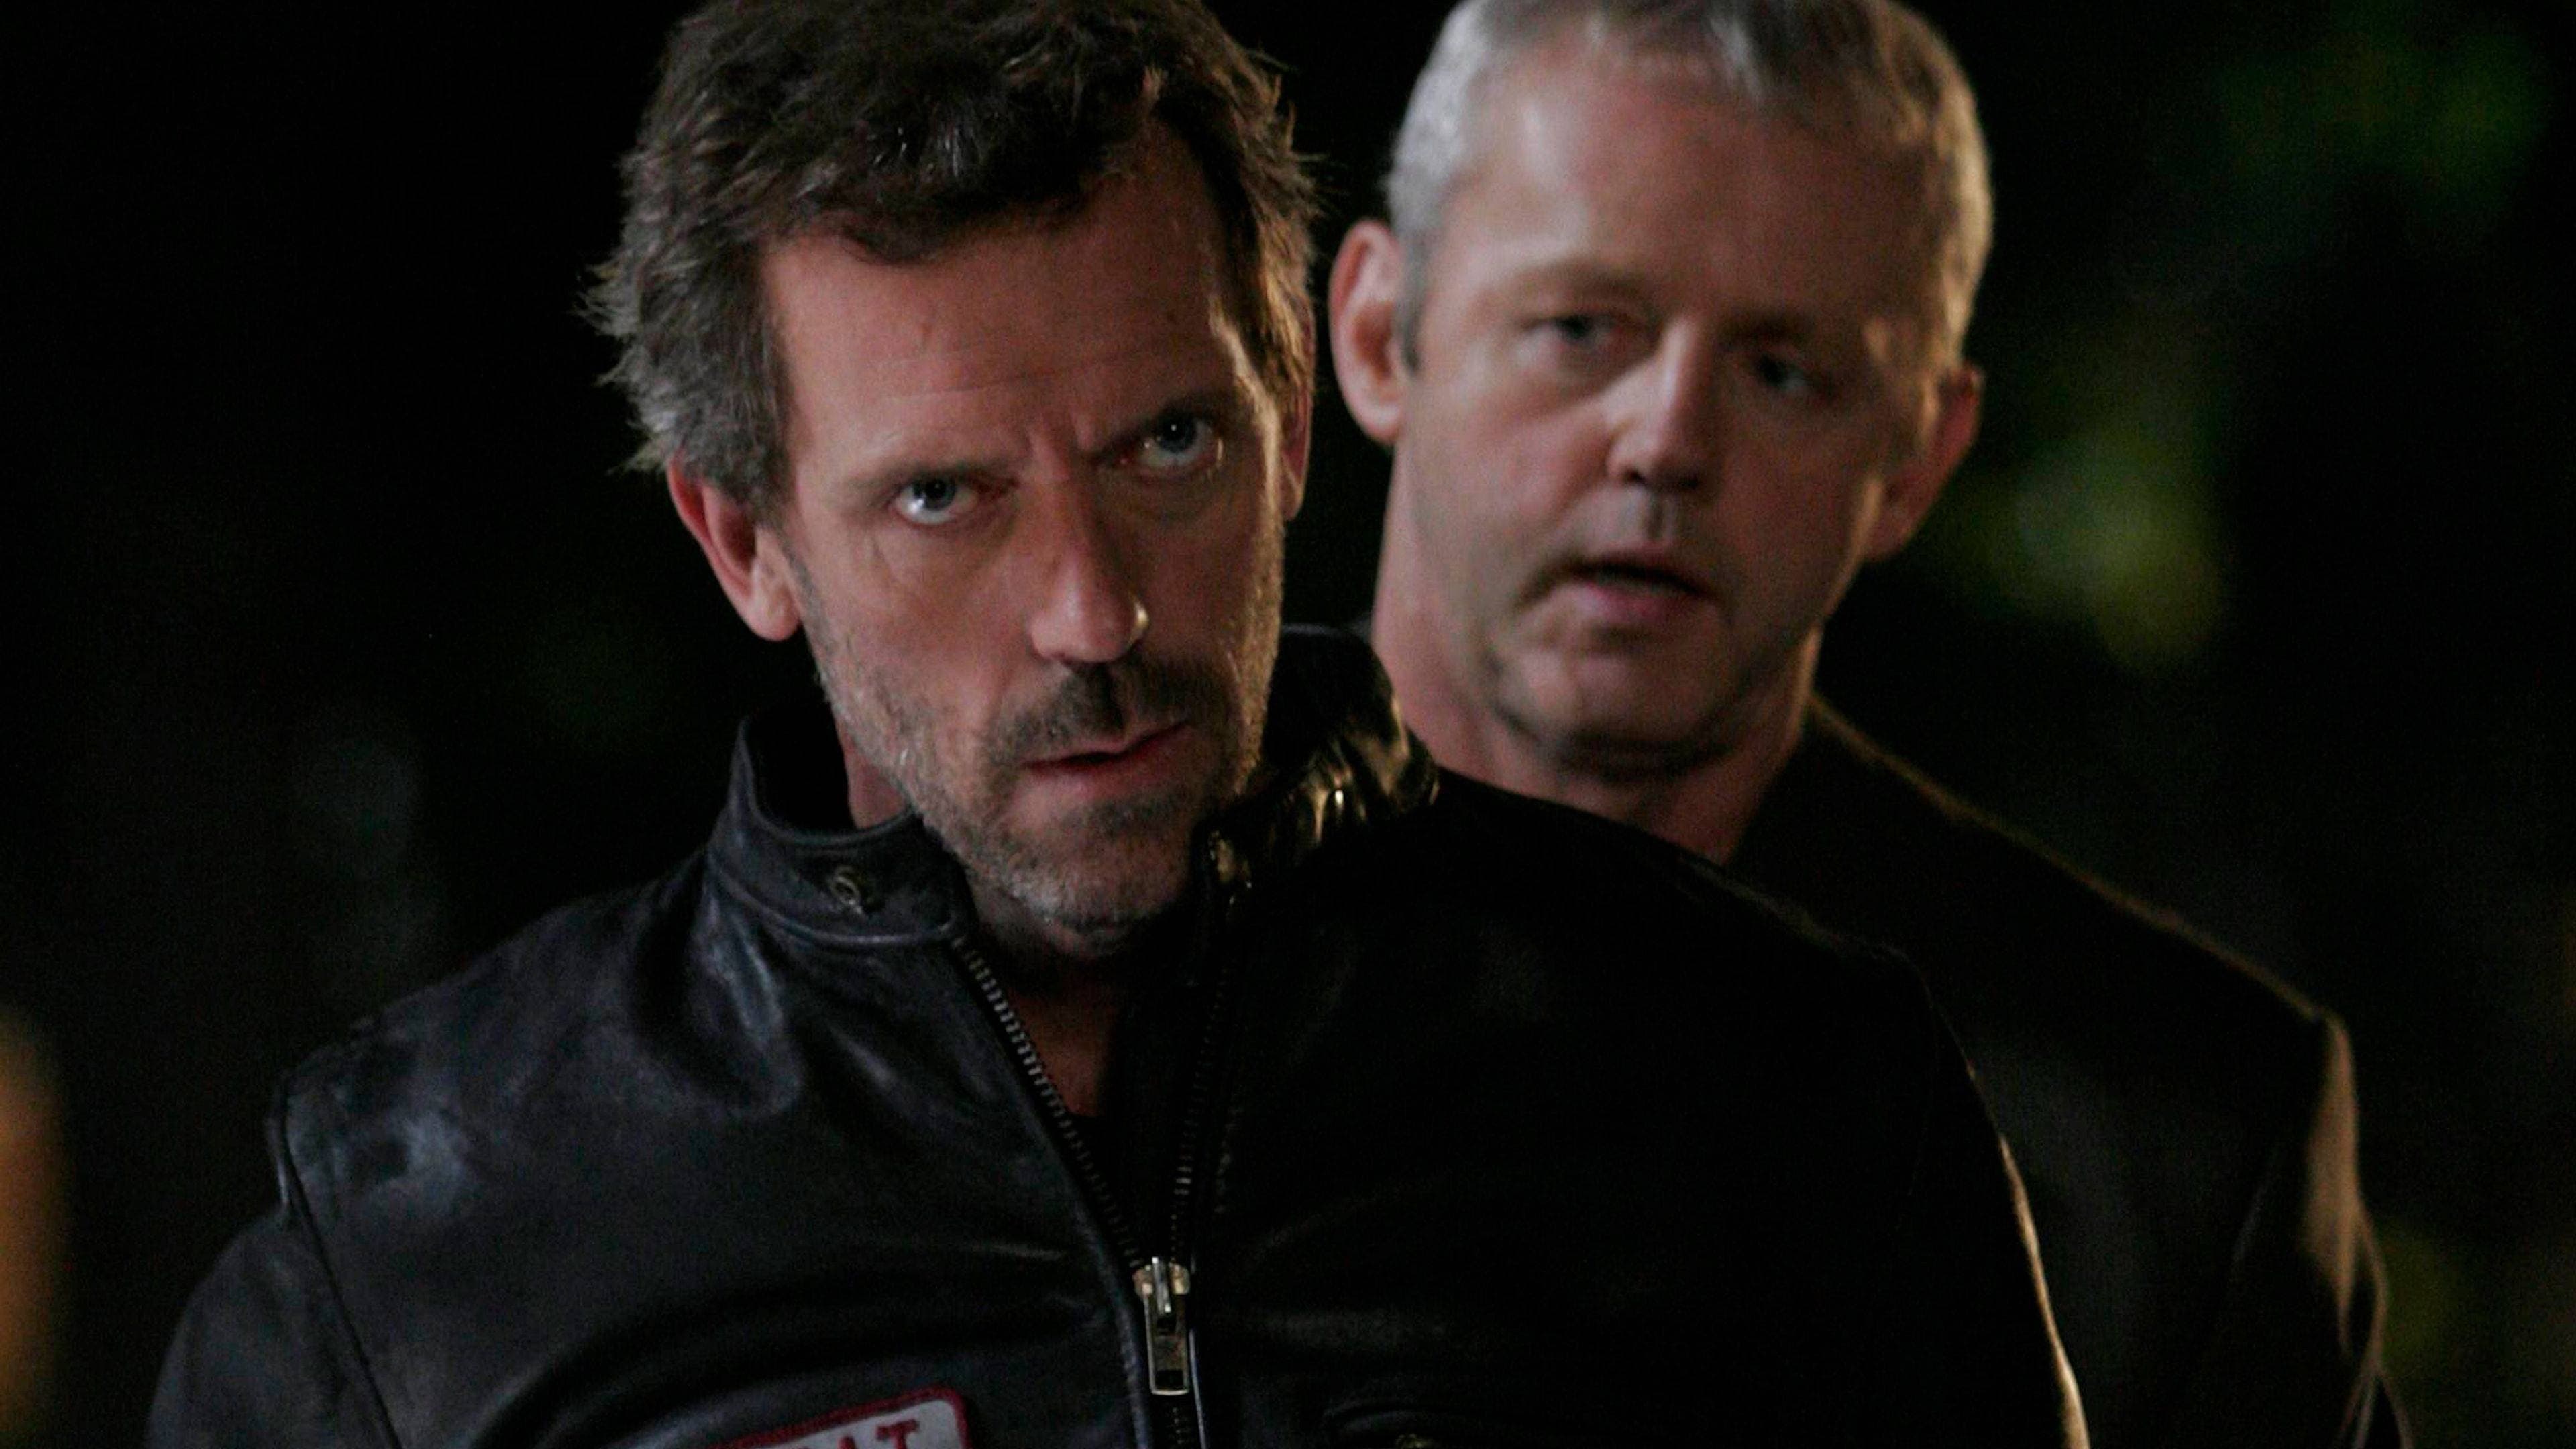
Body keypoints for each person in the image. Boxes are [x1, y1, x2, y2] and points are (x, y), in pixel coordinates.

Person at [148, 1, 2088, 1444]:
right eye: (944, 497)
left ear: (1297, 422)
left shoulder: (1789, 1097)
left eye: (1169, 445)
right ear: (743, 541)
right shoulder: (423, 1234)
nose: (1093, 611)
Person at [1331, 2, 2400, 1446]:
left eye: (1783, 372)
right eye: (1580, 329)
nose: (1667, 441)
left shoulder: (2176, 1142)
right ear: (1377, 336)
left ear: (1917, 459)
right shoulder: (1081, 965)